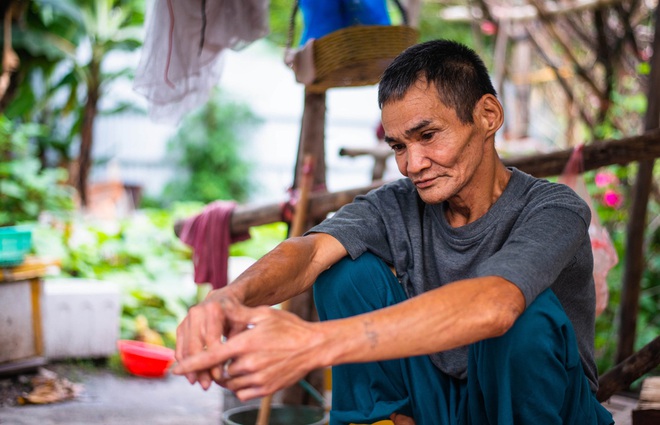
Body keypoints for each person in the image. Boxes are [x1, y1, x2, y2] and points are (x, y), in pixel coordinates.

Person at [173, 39, 615, 425]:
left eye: (428, 136)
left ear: (487, 115)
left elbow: (495, 304)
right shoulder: (399, 203)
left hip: (547, 410)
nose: (412, 164)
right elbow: (307, 252)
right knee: (345, 274)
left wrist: (309, 344)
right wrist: (227, 299)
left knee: (523, 319)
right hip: (443, 406)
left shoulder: (553, 207)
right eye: (399, 145)